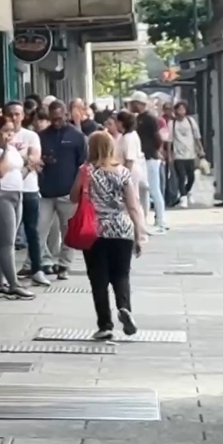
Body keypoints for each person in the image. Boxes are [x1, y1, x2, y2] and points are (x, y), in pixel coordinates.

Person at [69, 132, 148, 341]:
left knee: (98, 279)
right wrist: (140, 234)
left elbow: (73, 197)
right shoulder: (123, 172)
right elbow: (133, 205)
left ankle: (105, 325)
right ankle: (124, 307)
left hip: (94, 231)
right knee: (121, 275)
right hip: (122, 230)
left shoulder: (86, 171)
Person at [0, 116, 35, 299]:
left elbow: (17, 171)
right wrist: (4, 151)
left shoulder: (13, 149)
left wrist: (30, 167)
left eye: (11, 131)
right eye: (5, 131)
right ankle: (13, 284)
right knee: (7, 242)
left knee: (2, 242)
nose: (8, 135)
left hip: (16, 193)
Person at [37, 100, 88, 281]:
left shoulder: (76, 136)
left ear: (66, 115)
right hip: (45, 191)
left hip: (68, 191)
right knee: (40, 229)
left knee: (69, 231)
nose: (56, 122)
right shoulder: (42, 136)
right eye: (53, 119)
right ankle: (43, 261)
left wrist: (80, 188)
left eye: (59, 118)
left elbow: (83, 164)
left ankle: (64, 264)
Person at [4, 100, 45, 282]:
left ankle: (37, 268)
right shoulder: (3, 136)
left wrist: (19, 171)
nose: (14, 117)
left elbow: (34, 159)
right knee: (7, 234)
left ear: (23, 116)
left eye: (18, 114)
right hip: (5, 190)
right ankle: (7, 273)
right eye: (11, 114)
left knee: (32, 230)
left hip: (28, 188)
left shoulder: (31, 136)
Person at [127, 91, 167, 233]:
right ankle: (143, 220)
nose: (131, 105)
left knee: (153, 189)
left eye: (133, 103)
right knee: (143, 189)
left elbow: (157, 137)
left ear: (139, 104)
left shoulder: (150, 119)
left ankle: (160, 220)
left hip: (150, 157)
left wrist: (154, 150)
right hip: (142, 157)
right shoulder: (137, 118)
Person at [169, 101, 204, 206]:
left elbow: (197, 136)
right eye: (179, 109)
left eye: (183, 109)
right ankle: (183, 197)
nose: (181, 111)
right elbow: (169, 140)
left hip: (190, 154)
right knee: (181, 176)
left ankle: (187, 191)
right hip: (178, 154)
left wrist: (200, 149)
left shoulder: (190, 121)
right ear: (175, 111)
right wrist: (170, 155)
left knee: (191, 176)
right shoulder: (172, 123)